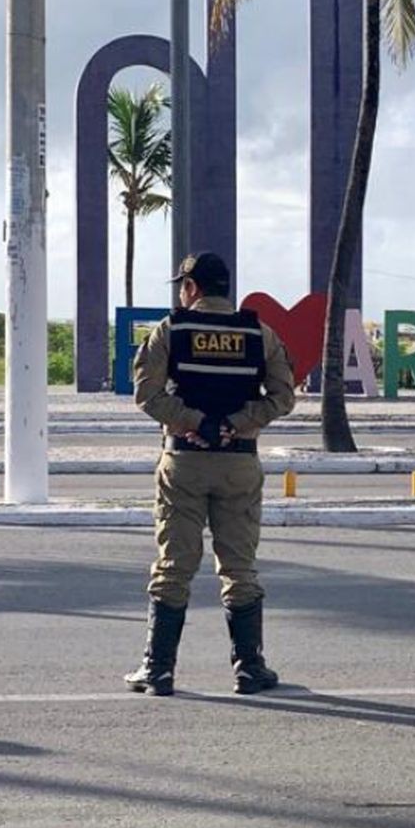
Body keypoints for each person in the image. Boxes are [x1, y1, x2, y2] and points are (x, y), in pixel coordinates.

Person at [126, 252, 297, 696]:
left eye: (182, 285)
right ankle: (249, 668)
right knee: (239, 568)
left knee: (173, 566)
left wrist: (192, 421)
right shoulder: (259, 332)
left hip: (183, 459)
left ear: (191, 288)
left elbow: (145, 394)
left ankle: (158, 669)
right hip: (239, 461)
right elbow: (283, 396)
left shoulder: (172, 329)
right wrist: (234, 424)